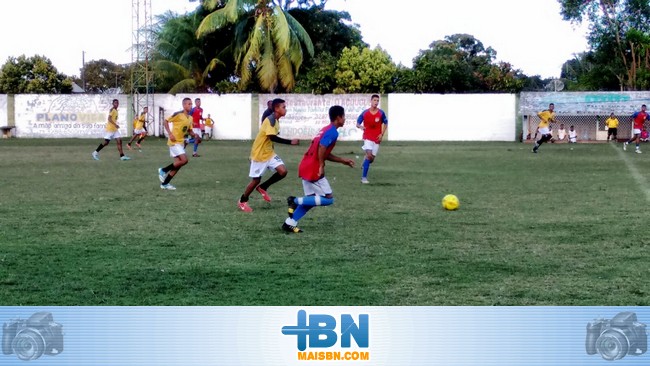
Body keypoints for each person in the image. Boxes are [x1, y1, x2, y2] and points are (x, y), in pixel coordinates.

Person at [283, 105, 355, 233]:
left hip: (306, 164)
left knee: (310, 200)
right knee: (328, 199)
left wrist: (343, 160)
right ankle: (294, 201)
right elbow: (322, 147)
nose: (345, 119)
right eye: (344, 116)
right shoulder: (333, 131)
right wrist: (321, 165)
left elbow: (324, 152)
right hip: (313, 167)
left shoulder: (325, 129)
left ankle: (289, 222)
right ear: (338, 117)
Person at [238, 98, 299, 212]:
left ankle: (263, 187)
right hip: (259, 154)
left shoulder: (276, 121)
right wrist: (290, 142)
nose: (286, 110)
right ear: (276, 108)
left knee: (283, 171)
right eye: (283, 107)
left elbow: (270, 139)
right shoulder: (270, 120)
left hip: (269, 153)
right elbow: (272, 137)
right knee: (255, 180)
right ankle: (242, 200)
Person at [158, 98, 201, 190]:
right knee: (184, 160)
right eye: (189, 104)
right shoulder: (178, 114)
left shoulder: (190, 118)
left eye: (191, 104)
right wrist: (170, 134)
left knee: (178, 164)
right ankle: (163, 170)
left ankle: (165, 184)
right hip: (174, 142)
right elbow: (165, 121)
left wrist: (195, 135)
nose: (190, 105)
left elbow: (189, 131)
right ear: (184, 105)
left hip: (181, 142)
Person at [356, 94, 388, 183]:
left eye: (377, 101)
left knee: (371, 159)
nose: (376, 102)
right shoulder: (365, 113)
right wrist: (361, 127)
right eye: (374, 100)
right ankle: (364, 178)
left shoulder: (381, 113)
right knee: (369, 155)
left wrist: (382, 134)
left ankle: (365, 161)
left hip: (377, 138)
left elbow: (386, 123)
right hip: (367, 137)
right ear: (371, 101)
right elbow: (357, 123)